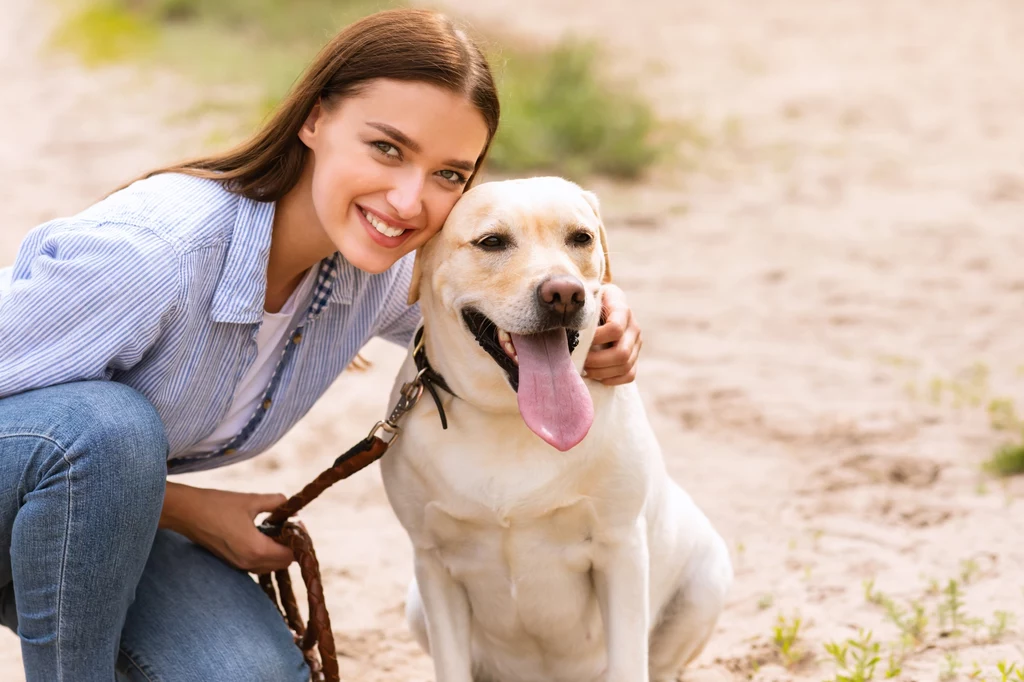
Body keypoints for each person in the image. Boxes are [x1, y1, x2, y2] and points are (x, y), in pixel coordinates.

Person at [0, 8, 643, 682]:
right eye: (387, 148)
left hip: (76, 529)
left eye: (448, 175)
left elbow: (484, 306)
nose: (406, 200)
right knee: (109, 429)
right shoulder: (155, 254)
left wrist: (600, 310)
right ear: (313, 119)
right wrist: (189, 510)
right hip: (51, 481)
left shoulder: (380, 268)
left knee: (252, 675)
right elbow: (82, 451)